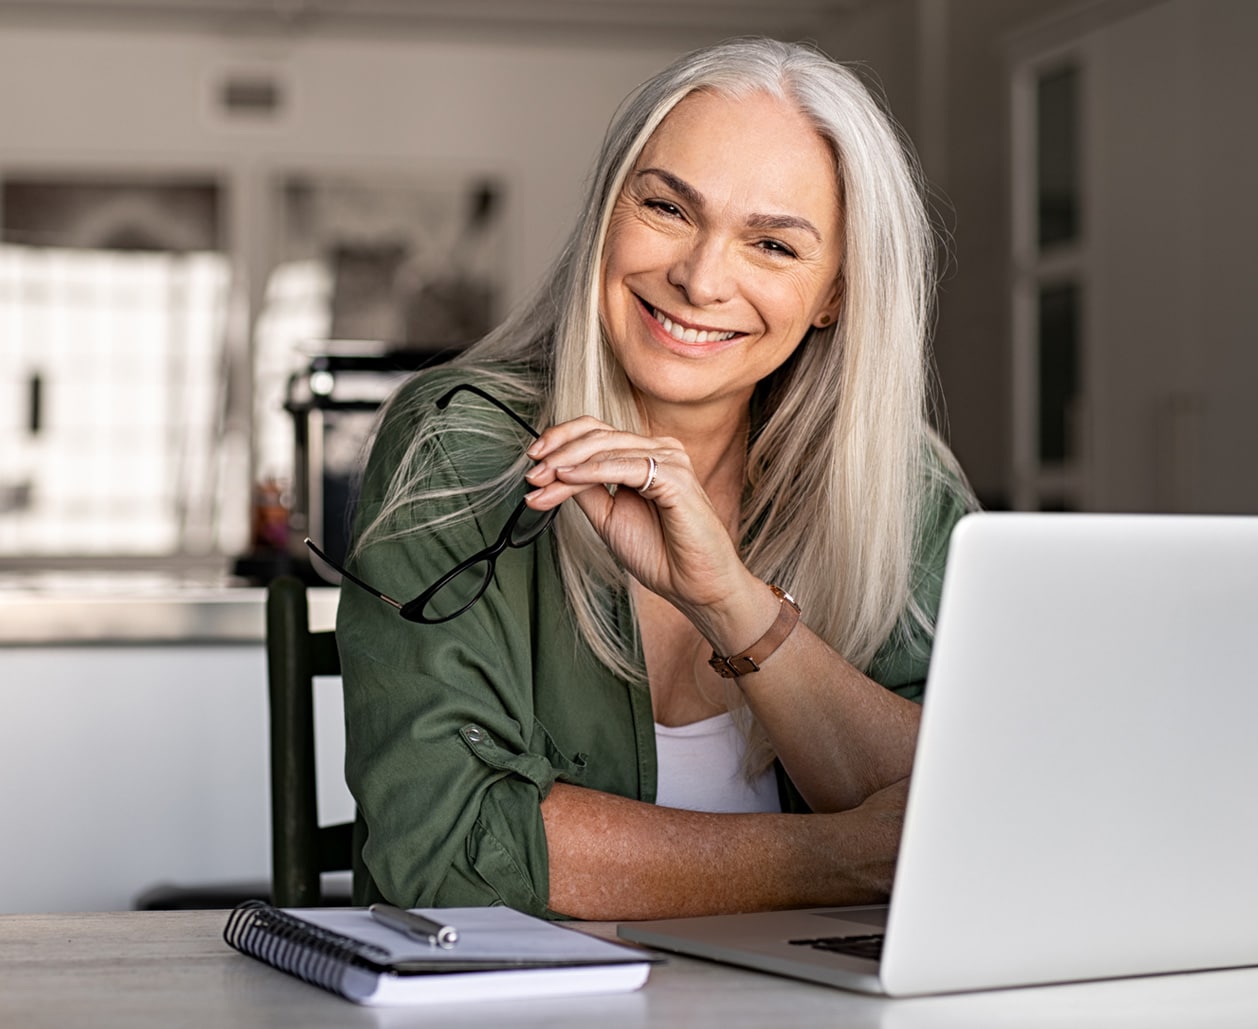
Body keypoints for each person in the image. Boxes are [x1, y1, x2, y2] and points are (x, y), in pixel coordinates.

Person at [323, 36, 974, 920]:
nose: (701, 278)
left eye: (774, 245)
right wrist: (841, 856)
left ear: (836, 296)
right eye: (668, 207)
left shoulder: (901, 486)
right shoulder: (462, 442)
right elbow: (446, 850)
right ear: (606, 212)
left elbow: (977, 815)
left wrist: (733, 603)